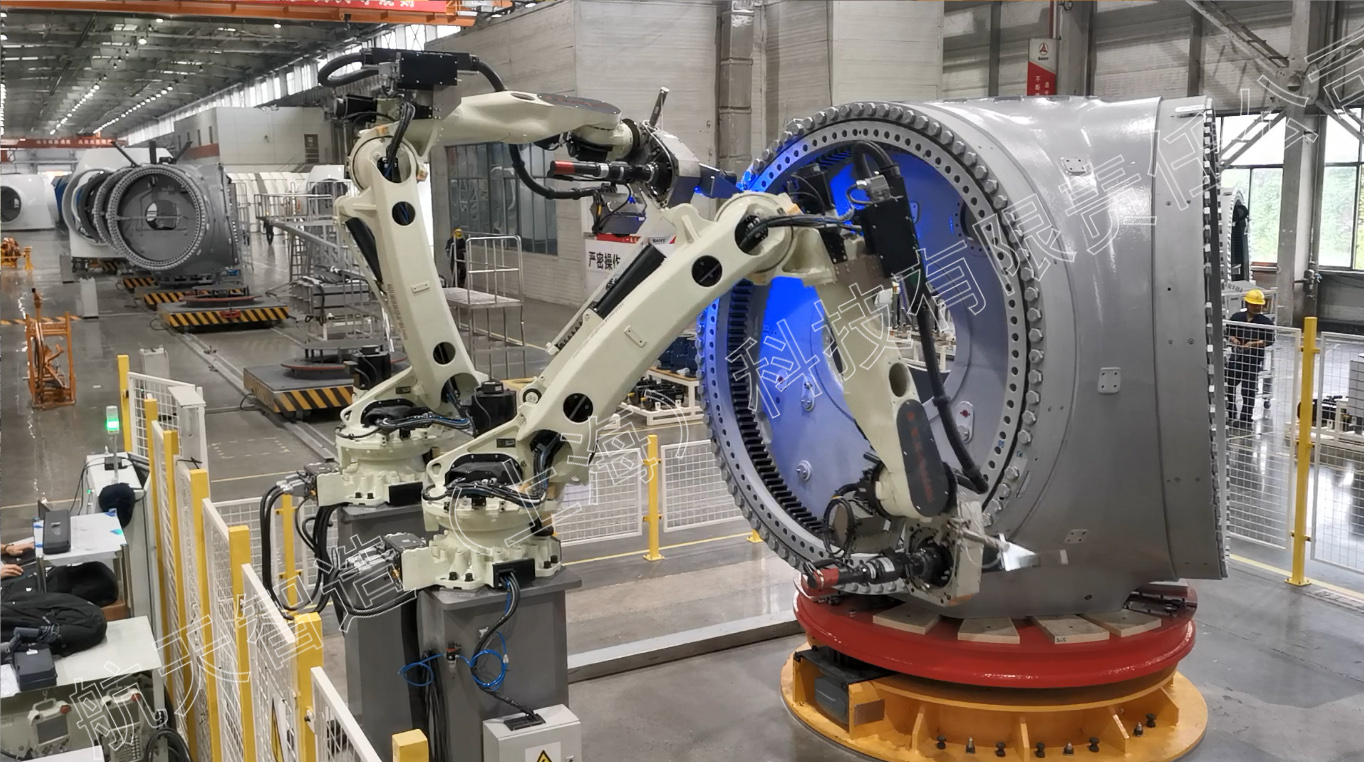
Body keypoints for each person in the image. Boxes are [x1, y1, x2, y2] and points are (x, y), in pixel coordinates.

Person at [1226, 288, 1275, 427]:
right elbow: (1228, 332)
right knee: (1229, 385)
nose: (1257, 308)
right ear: (1247, 304)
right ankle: (1231, 413)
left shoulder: (1265, 322)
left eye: (1259, 305)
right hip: (1237, 358)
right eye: (1254, 305)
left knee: (1248, 389)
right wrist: (1234, 340)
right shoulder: (1237, 318)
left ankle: (1246, 418)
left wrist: (1254, 344)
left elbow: (1269, 340)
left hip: (1253, 359)